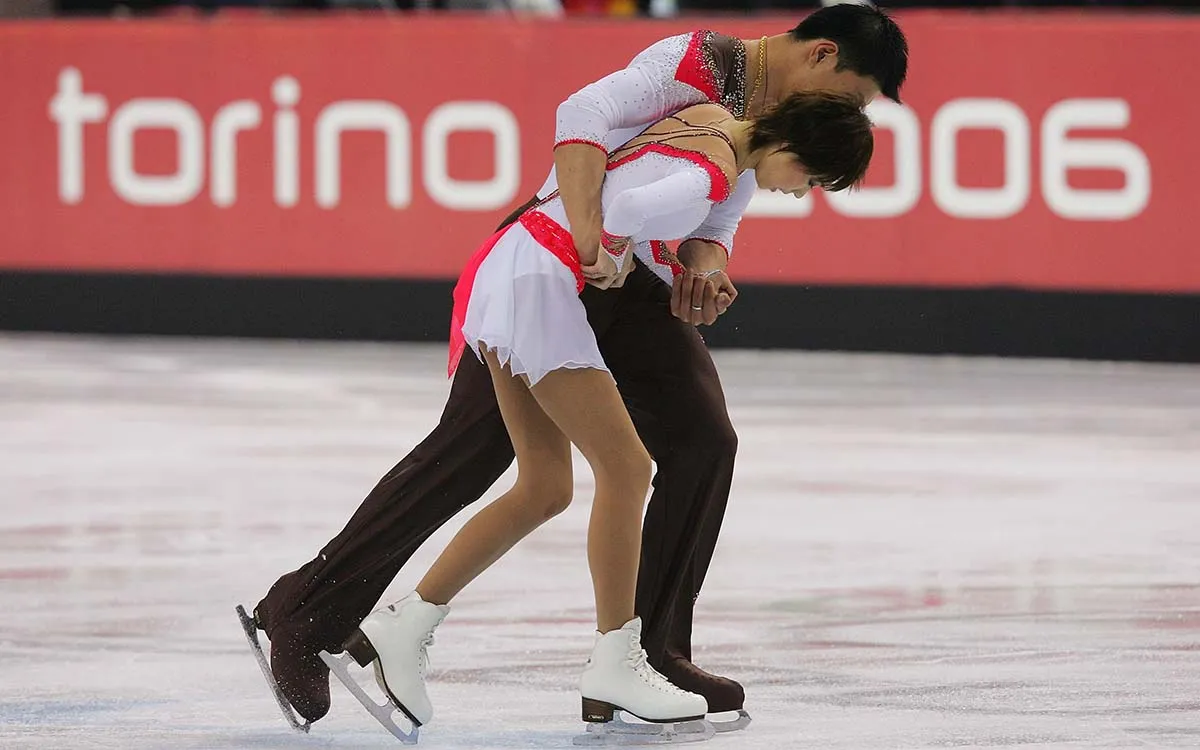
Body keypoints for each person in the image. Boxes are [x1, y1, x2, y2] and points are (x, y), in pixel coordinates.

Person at [245, 2, 908, 729]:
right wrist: (595, 233)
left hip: (627, 283)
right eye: (853, 95)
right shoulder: (697, 62)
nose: (850, 113)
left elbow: (715, 221)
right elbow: (582, 114)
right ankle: (306, 612)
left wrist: (703, 268)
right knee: (474, 455)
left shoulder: (767, 127)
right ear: (821, 55)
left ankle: (647, 653)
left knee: (701, 439)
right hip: (557, 262)